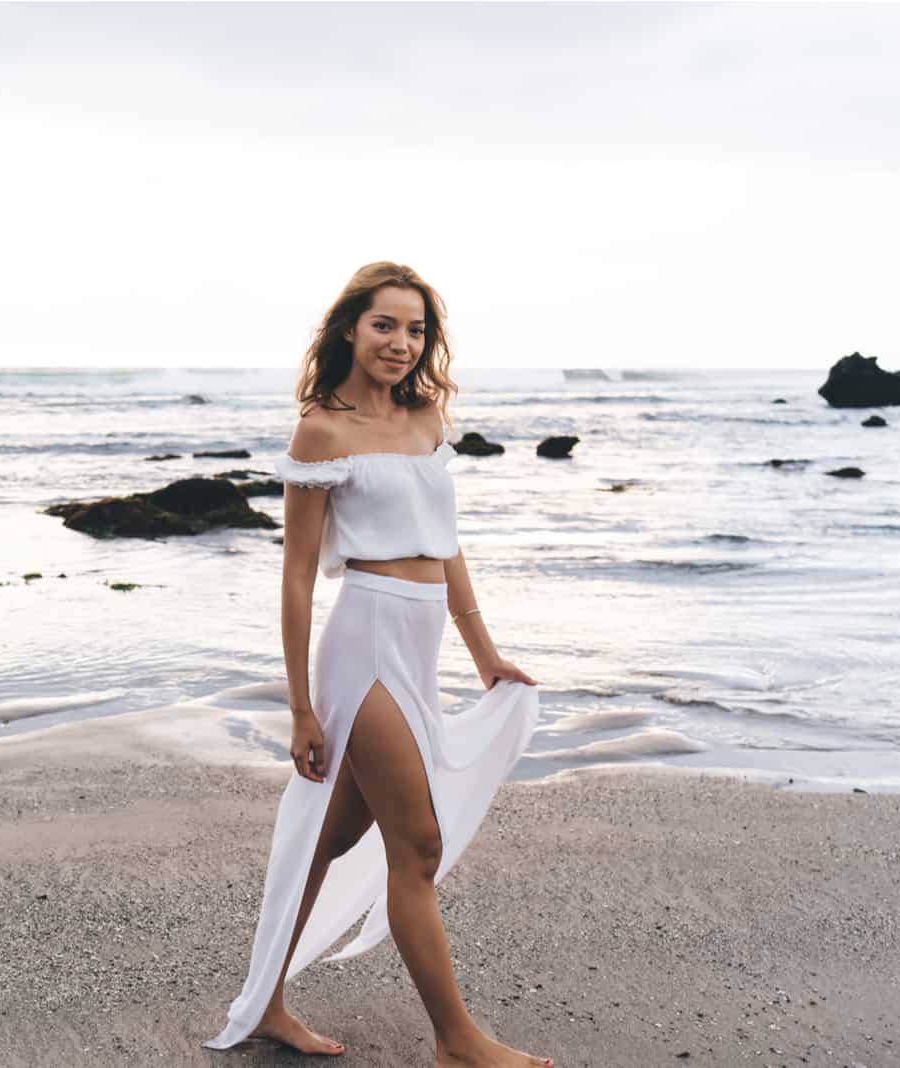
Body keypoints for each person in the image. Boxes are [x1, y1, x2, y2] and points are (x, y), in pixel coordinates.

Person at [206, 262, 553, 1067]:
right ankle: (457, 1040)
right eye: (385, 325)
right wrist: (300, 707)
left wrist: (486, 655)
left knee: (327, 837)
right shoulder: (321, 430)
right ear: (350, 331)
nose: (402, 343)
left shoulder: (428, 417)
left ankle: (265, 1003)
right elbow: (296, 578)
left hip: (423, 644)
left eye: (416, 328)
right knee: (418, 846)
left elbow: (447, 545)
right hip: (363, 646)